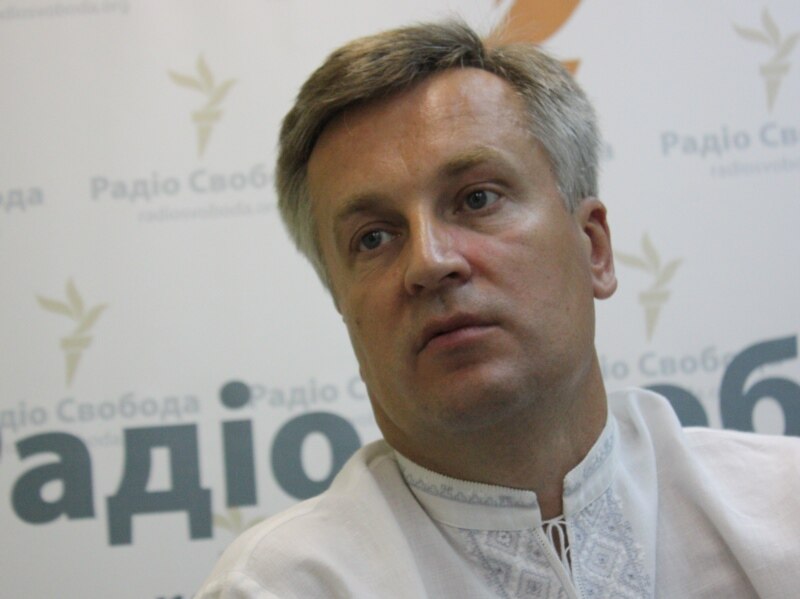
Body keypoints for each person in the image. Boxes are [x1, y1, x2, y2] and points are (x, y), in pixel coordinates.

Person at [197, 20, 800, 598]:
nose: (430, 262)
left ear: (594, 247)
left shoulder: (782, 508)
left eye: (477, 199)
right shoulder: (282, 587)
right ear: (343, 308)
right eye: (374, 238)